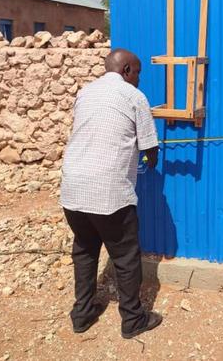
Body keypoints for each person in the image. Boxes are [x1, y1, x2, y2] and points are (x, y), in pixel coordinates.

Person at [60, 48, 162, 339]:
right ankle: (133, 319)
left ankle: (82, 314)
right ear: (127, 70)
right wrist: (150, 160)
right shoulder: (134, 97)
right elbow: (149, 149)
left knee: (84, 250)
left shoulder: (86, 92)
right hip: (108, 192)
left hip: (73, 189)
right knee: (126, 257)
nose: (139, 78)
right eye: (139, 72)